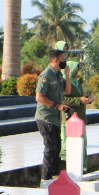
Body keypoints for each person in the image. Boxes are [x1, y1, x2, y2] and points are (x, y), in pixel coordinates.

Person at [34, 42, 72, 181]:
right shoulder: (46, 75)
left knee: (57, 146)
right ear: (56, 60)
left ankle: (55, 176)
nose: (65, 61)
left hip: (55, 118)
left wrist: (67, 75)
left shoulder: (58, 74)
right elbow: (39, 97)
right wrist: (56, 105)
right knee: (51, 147)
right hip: (46, 117)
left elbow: (67, 91)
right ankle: (46, 178)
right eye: (63, 59)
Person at [59, 59, 92, 168]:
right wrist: (79, 100)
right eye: (75, 69)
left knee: (83, 143)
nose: (77, 71)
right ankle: (72, 167)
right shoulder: (65, 82)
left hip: (81, 116)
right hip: (71, 117)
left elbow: (80, 96)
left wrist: (86, 99)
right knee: (72, 145)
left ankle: (83, 166)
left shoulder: (77, 82)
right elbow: (64, 100)